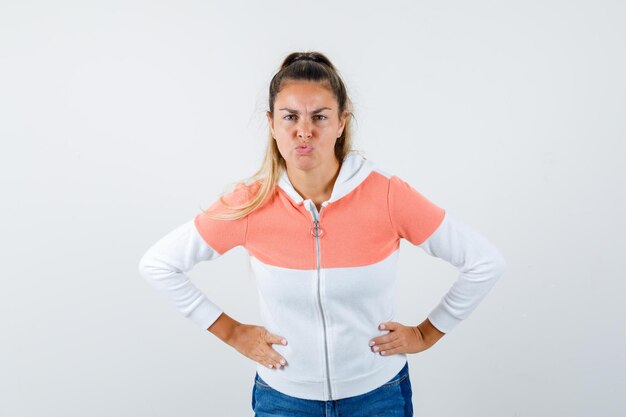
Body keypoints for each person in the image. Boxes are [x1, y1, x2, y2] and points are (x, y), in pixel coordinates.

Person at [138, 51, 507, 417]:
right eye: (290, 117)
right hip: (284, 399)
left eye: (319, 116)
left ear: (342, 121)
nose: (304, 131)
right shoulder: (251, 203)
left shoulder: (388, 196)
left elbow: (484, 261)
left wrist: (427, 334)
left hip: (377, 397)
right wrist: (232, 333)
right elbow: (158, 265)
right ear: (271, 123)